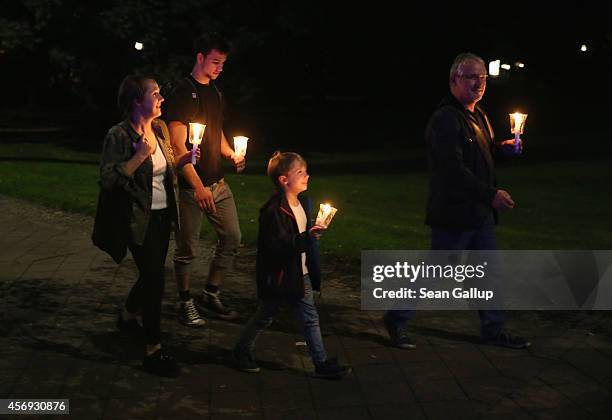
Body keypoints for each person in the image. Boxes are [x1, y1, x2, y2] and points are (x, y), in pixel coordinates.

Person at [382, 53, 530, 350]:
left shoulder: (479, 115)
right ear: (454, 81)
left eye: (483, 77)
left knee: (489, 272)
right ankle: (396, 318)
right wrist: (491, 194)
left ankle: (493, 329)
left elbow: (480, 157)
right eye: (471, 77)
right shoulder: (445, 120)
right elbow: (452, 170)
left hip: (480, 213)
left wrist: (502, 149)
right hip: (454, 212)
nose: (479, 83)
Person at [92, 75, 196, 377]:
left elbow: (165, 167)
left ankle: (126, 316)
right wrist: (138, 157)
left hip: (164, 218)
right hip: (139, 221)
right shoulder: (119, 136)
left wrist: (184, 159)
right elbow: (109, 180)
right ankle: (153, 350)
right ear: (138, 101)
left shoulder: (160, 129)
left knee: (152, 275)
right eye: (156, 94)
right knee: (155, 281)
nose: (162, 98)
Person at [233, 151, 352, 379]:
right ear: (284, 179)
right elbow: (278, 246)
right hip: (280, 276)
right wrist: (307, 238)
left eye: (305, 170)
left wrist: (312, 242)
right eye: (300, 171)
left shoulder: (303, 204)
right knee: (265, 315)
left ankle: (321, 363)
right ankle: (241, 350)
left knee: (310, 318)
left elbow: (303, 241)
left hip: (301, 273)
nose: (306, 174)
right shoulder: (273, 211)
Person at [164, 32, 245, 327]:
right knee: (187, 249)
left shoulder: (216, 92)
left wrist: (230, 154)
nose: (219, 68)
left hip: (218, 184)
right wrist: (197, 186)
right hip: (189, 188)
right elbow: (177, 146)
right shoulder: (183, 93)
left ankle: (211, 293)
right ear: (199, 58)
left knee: (233, 237)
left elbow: (216, 132)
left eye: (223, 63)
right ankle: (184, 302)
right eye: (215, 61)